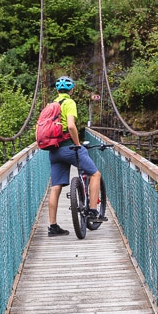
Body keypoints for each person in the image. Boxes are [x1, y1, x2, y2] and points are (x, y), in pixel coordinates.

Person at [47, 76, 106, 237]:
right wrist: (77, 143)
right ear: (71, 90)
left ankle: (53, 226)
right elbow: (71, 125)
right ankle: (93, 211)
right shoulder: (69, 103)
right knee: (95, 174)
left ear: (57, 90)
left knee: (56, 186)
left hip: (54, 151)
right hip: (69, 147)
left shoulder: (50, 105)